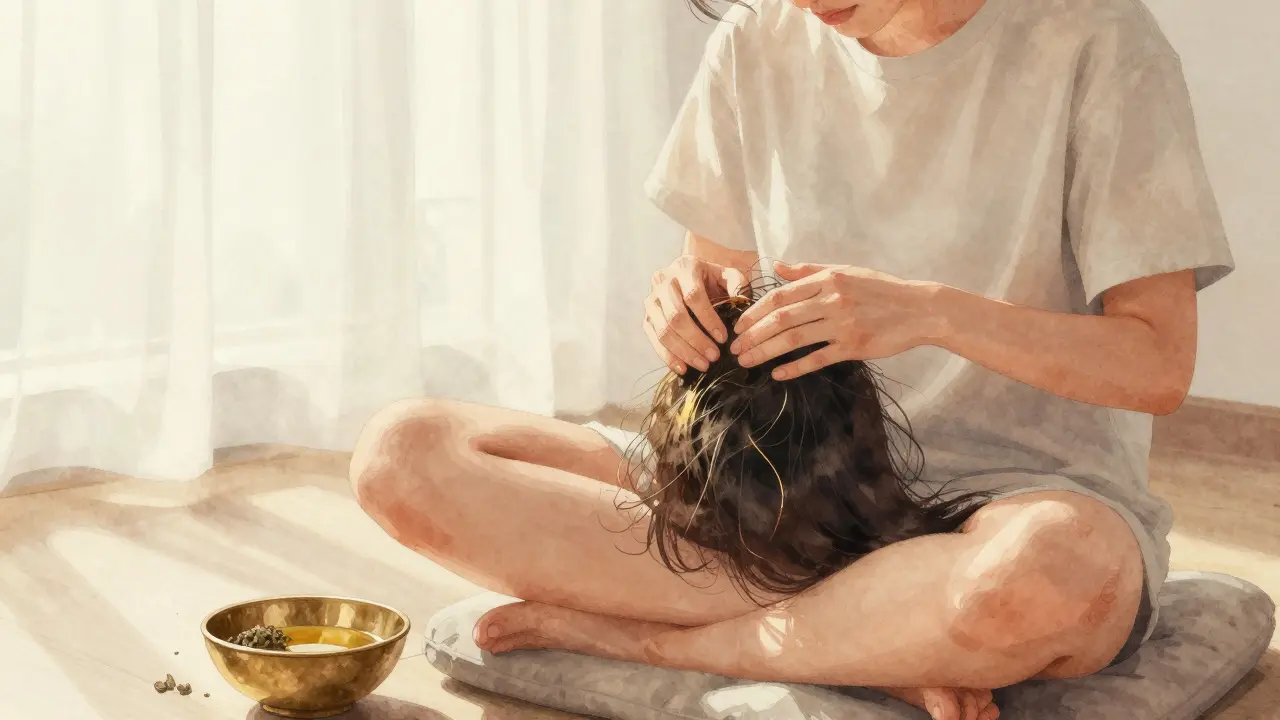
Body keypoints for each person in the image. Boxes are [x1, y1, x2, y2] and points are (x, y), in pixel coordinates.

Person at [349, 1, 1234, 718]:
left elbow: (1156, 365)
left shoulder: (1099, 39)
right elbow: (721, 285)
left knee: (1040, 579)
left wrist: (929, 312)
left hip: (1007, 507)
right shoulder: (756, 36)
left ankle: (661, 640)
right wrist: (683, 304)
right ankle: (870, 640)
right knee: (404, 455)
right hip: (779, 494)